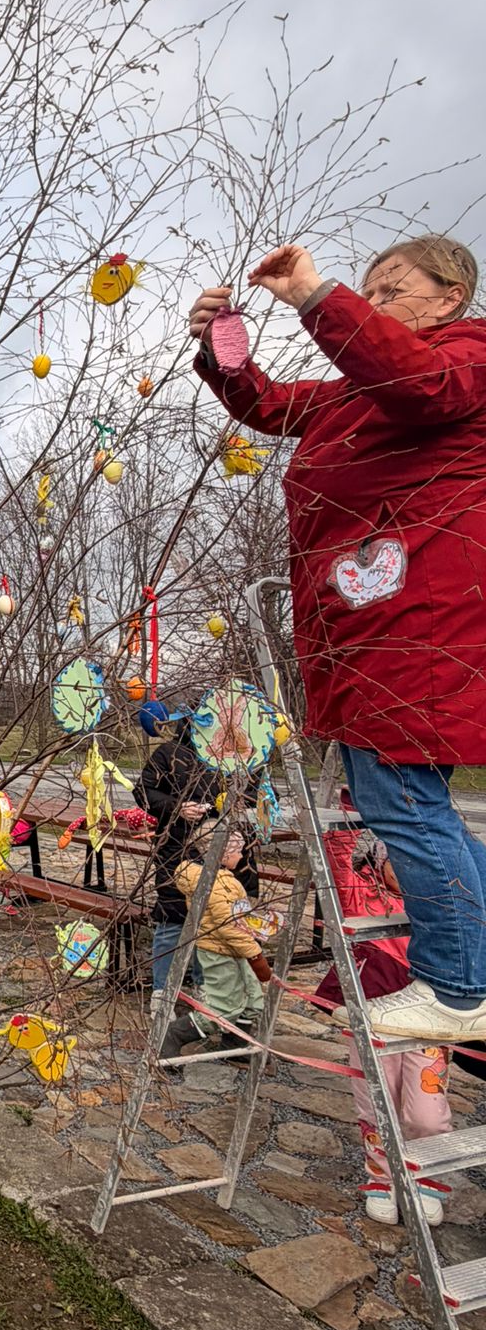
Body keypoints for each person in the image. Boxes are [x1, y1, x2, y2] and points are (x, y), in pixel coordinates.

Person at [192, 234, 486, 1041]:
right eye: (369, 288)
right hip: (367, 620)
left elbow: (415, 382)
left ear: (451, 297)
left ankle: (460, 987)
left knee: (401, 798)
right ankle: (473, 964)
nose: (375, 301)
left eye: (392, 289)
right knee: (406, 799)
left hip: (421, 620)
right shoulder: (360, 391)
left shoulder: (465, 359)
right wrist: (222, 346)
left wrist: (318, 299)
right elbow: (271, 405)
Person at [311, 807, 451, 1226]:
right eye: (397, 860)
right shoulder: (362, 895)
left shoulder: (439, 902)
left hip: (429, 1019)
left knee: (427, 1111)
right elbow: (336, 854)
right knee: (376, 1100)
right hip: (374, 1018)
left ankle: (425, 1176)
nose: (407, 871)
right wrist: (357, 808)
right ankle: (382, 1177)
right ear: (378, 861)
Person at [159, 831, 273, 1072]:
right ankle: (173, 1036)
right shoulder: (219, 885)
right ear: (222, 854)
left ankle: (235, 1043)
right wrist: (255, 955)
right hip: (219, 952)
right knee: (223, 1007)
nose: (241, 856)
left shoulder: (223, 880)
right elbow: (228, 925)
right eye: (238, 851)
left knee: (253, 999)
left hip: (234, 950)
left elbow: (238, 920)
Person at [134, 703, 217, 1010]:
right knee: (172, 916)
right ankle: (162, 992)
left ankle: (204, 986)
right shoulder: (168, 754)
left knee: (212, 917)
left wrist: (223, 807)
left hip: (218, 848)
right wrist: (177, 807)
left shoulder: (228, 758)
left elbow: (254, 793)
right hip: (175, 845)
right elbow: (143, 791)